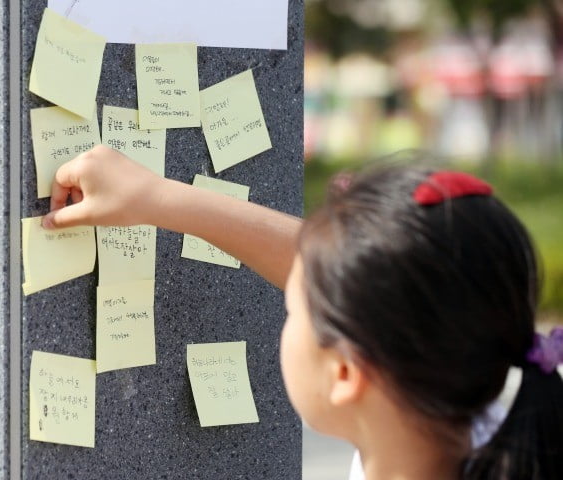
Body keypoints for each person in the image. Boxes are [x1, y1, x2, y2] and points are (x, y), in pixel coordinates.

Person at [42, 145, 563, 480]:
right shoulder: (484, 415)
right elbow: (364, 282)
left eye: (294, 307)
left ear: (344, 372)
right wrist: (157, 197)